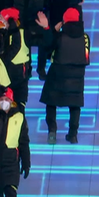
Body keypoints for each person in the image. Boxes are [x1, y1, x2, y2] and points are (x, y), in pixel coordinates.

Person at [37, 9, 90, 144]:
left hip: (57, 75)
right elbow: (86, 59)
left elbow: (47, 49)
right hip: (77, 77)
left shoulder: (59, 37)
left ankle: (52, 132)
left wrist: (52, 30)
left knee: (51, 102)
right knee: (75, 104)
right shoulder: (85, 38)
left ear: (64, 21)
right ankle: (73, 134)